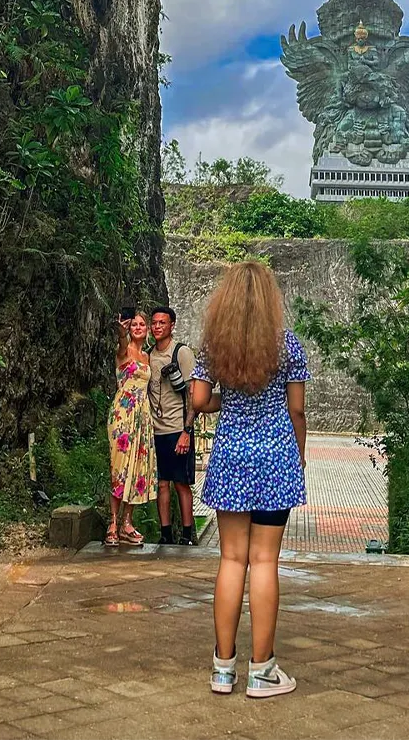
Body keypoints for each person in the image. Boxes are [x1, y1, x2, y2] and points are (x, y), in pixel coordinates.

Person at [191, 261, 309, 699]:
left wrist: (229, 397)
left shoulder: (213, 347)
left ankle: (223, 670)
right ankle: (263, 672)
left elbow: (200, 400)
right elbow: (296, 410)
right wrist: (298, 458)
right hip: (276, 455)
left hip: (232, 458)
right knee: (264, 562)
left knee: (231, 560)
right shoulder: (287, 346)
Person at [106, 311, 157, 547]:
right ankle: (113, 523)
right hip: (123, 414)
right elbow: (121, 344)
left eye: (141, 324)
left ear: (146, 329)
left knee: (138, 470)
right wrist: (121, 332)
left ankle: (128, 521)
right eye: (134, 324)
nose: (137, 327)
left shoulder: (147, 356)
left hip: (142, 416)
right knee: (120, 468)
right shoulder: (124, 351)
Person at [148, 306, 198, 545]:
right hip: (156, 429)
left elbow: (193, 394)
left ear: (172, 325)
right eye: (154, 323)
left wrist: (187, 432)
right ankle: (165, 533)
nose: (157, 327)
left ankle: (186, 535)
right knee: (162, 483)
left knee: (181, 482)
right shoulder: (148, 355)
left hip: (178, 428)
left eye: (162, 323)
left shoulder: (182, 353)